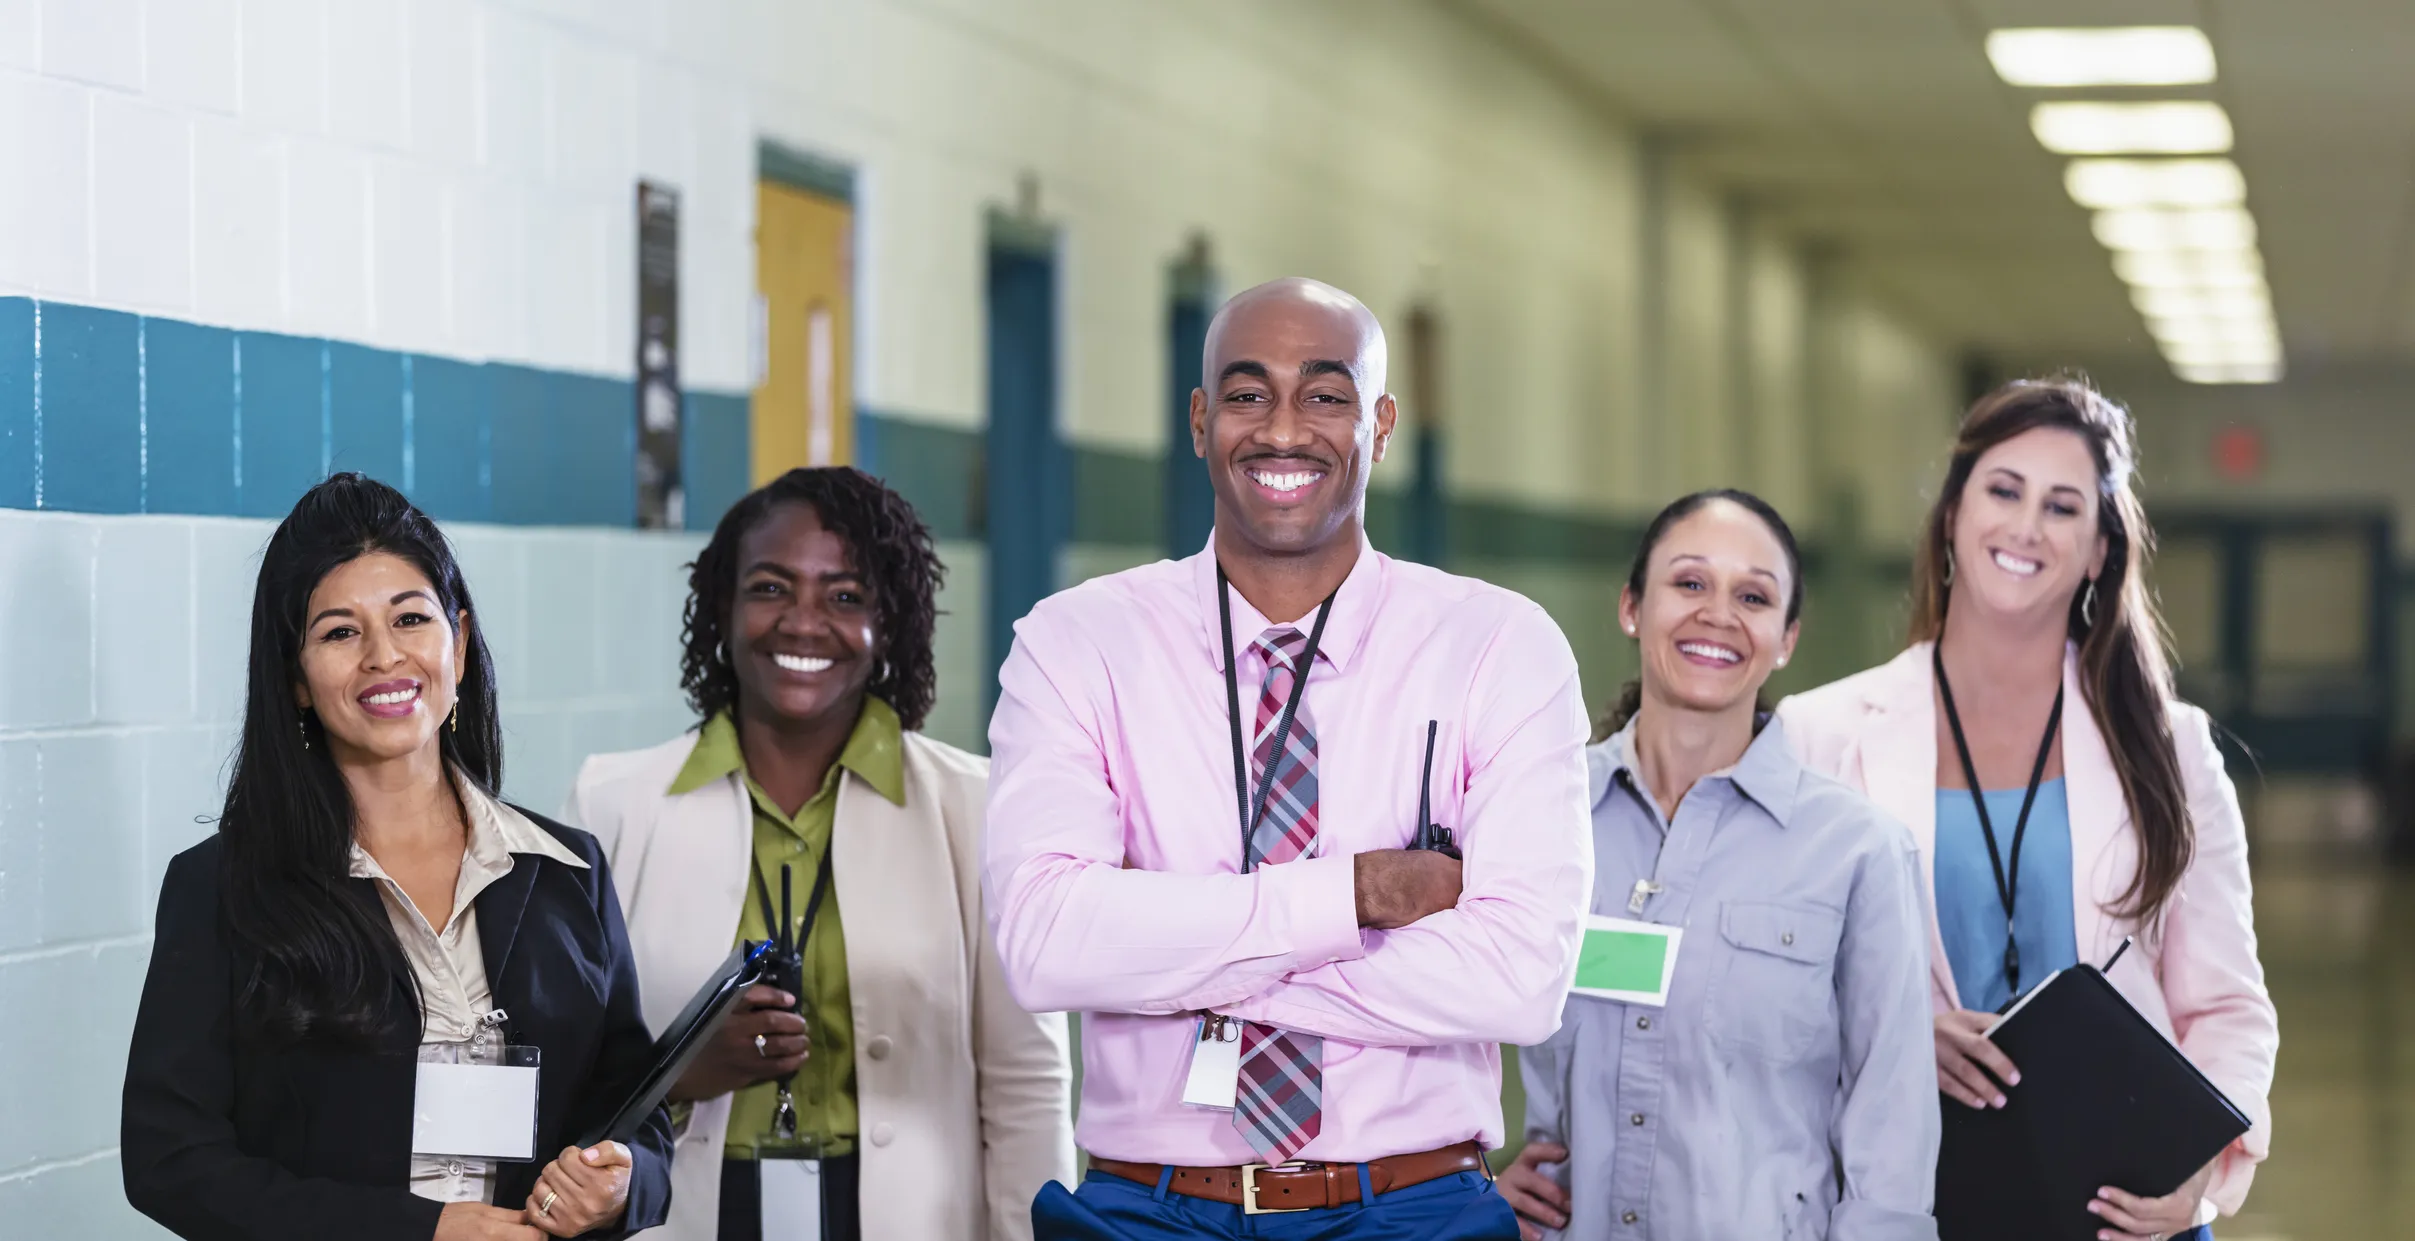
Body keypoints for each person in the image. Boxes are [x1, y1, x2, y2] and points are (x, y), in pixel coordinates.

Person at [984, 277, 1593, 1240]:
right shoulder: (1077, 644)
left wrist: (1171, 946)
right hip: (1147, 1208)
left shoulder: (1496, 648)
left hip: (1410, 1206)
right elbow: (1042, 944)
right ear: (1198, 420)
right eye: (1245, 393)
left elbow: (1520, 978)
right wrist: (1346, 899)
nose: (1281, 429)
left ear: (1381, 424)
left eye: (1324, 394)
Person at [1776, 378, 2279, 1241]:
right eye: (2002, 490)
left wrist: (2195, 1175)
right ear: (1950, 517)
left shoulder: (2170, 746)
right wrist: (1894, 1035)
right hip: (1908, 1199)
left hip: (2124, 1208)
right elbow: (1768, 984)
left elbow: (2225, 1007)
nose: (2024, 526)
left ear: (2095, 551)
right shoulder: (1816, 734)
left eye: (2060, 506)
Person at [121, 473, 672, 1241]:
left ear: (461, 642)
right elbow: (169, 1158)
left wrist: (621, 1188)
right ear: (298, 681)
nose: (384, 656)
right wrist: (418, 1231)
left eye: (411, 618)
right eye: (340, 632)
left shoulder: (568, 872)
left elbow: (637, 1117)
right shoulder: (221, 886)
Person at [564, 466, 1075, 1241]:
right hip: (682, 1215)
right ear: (722, 609)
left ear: (889, 621)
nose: (803, 622)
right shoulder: (613, 804)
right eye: (770, 588)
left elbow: (1024, 1084)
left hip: (908, 1218)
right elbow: (570, 1074)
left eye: (844, 596)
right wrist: (684, 1072)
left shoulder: (972, 807)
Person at [1497, 490, 1936, 1241]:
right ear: (1632, 606)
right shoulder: (1540, 817)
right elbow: (1436, 1031)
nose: (1718, 614)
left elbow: (1889, 1131)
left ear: (1786, 637)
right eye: (1690, 583)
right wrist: (1466, 1183)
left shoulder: (1856, 851)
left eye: (1754, 596)